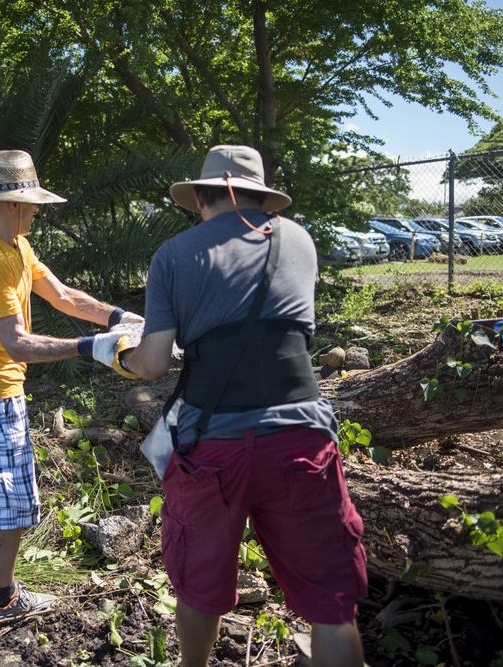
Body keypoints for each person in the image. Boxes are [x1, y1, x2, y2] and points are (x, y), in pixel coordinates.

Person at [109, 146, 367, 667]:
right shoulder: (298, 239)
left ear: (205, 195)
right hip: (301, 439)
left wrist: (119, 352)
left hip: (212, 447)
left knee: (200, 588)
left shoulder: (175, 255)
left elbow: (155, 363)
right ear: (260, 194)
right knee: (332, 607)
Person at [0, 149, 143, 622]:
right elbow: (18, 345)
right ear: (13, 203)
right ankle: (2, 599)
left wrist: (122, 318)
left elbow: (65, 296)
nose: (37, 212)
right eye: (33, 204)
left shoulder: (16, 246)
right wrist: (94, 348)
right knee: (9, 491)